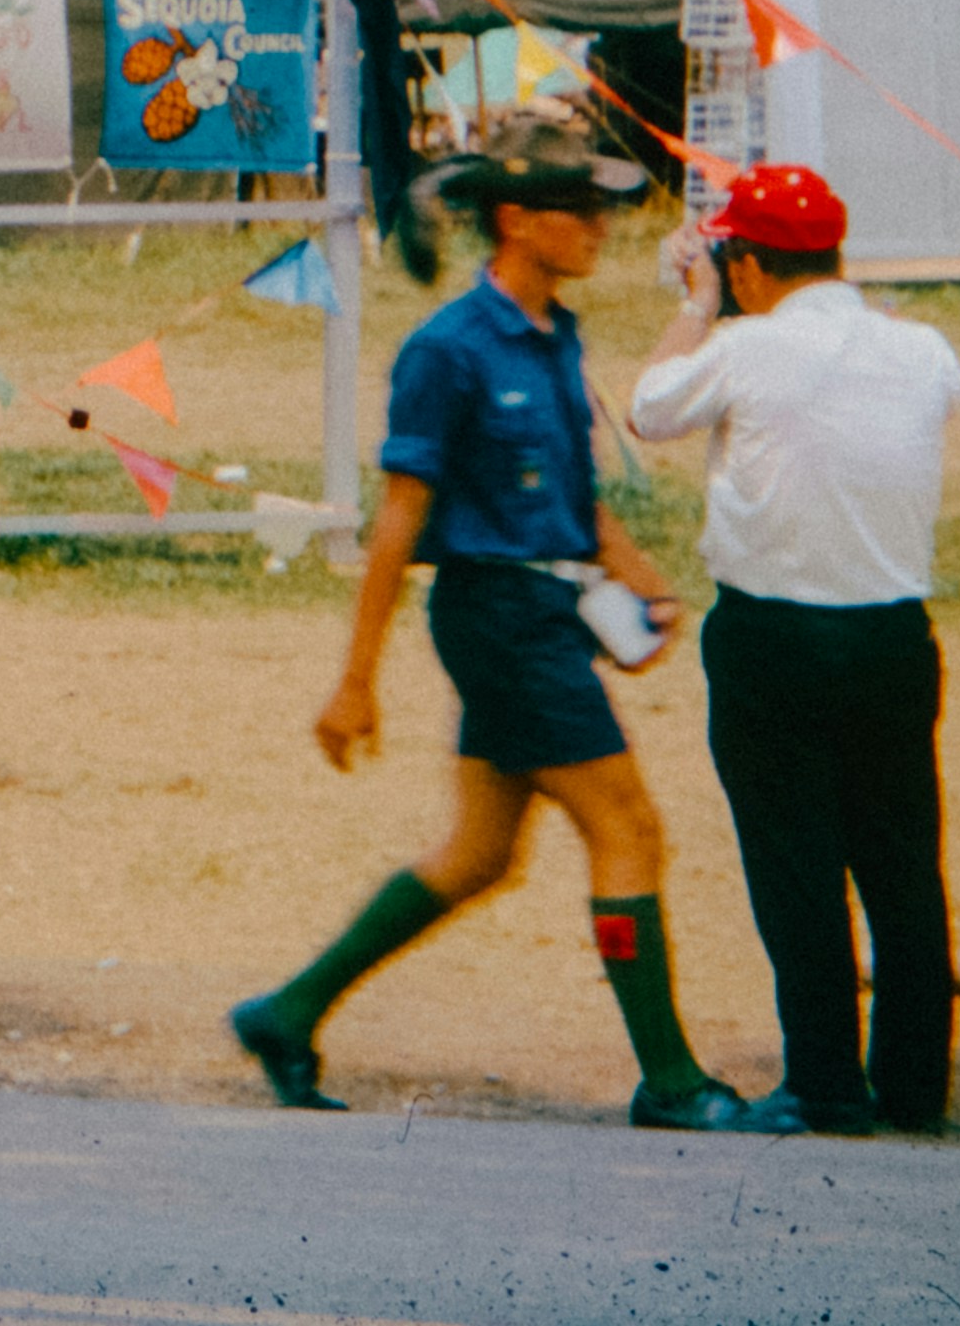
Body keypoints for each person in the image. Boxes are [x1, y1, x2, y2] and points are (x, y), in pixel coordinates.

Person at [228, 108, 755, 1128]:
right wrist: (353, 679)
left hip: (546, 604)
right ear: (515, 219)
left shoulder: (556, 332)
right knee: (628, 825)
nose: (601, 227)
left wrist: (639, 578)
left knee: (476, 853)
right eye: (579, 210)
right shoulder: (447, 349)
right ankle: (671, 1078)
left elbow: (574, 490)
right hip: (495, 613)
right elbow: (397, 519)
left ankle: (284, 1011)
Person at [624, 162, 960, 1135]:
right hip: (890, 629)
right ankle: (910, 1081)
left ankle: (820, 1075)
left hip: (771, 630)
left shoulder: (741, 347)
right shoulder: (922, 347)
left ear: (741, 264)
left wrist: (696, 310)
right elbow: (927, 403)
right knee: (901, 862)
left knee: (793, 862)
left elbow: (646, 408)